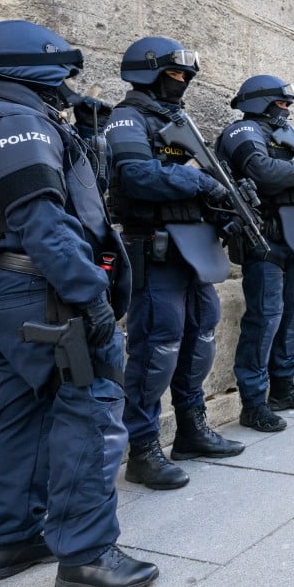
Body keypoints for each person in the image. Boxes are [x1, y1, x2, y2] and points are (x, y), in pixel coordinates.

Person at [0, 20, 157, 587]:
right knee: (90, 404)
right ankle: (87, 556)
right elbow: (43, 222)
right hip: (44, 288)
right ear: (31, 66)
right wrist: (90, 298)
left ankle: (10, 540)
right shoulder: (17, 122)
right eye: (61, 70)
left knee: (19, 405)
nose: (67, 81)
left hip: (7, 290)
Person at [105, 37, 244, 491]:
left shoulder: (177, 120)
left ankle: (191, 429)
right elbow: (137, 176)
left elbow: (205, 178)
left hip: (195, 248)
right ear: (149, 72)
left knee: (202, 334)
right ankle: (143, 450)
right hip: (155, 245)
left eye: (186, 77)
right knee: (155, 346)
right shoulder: (126, 117)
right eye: (175, 75)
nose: (181, 84)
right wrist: (200, 182)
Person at [217, 75, 294, 432]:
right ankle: (253, 403)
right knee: (264, 320)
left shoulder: (285, 138)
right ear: (262, 102)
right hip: (264, 240)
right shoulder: (242, 133)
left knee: (292, 315)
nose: (286, 112)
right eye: (281, 104)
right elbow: (265, 174)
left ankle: (283, 387)